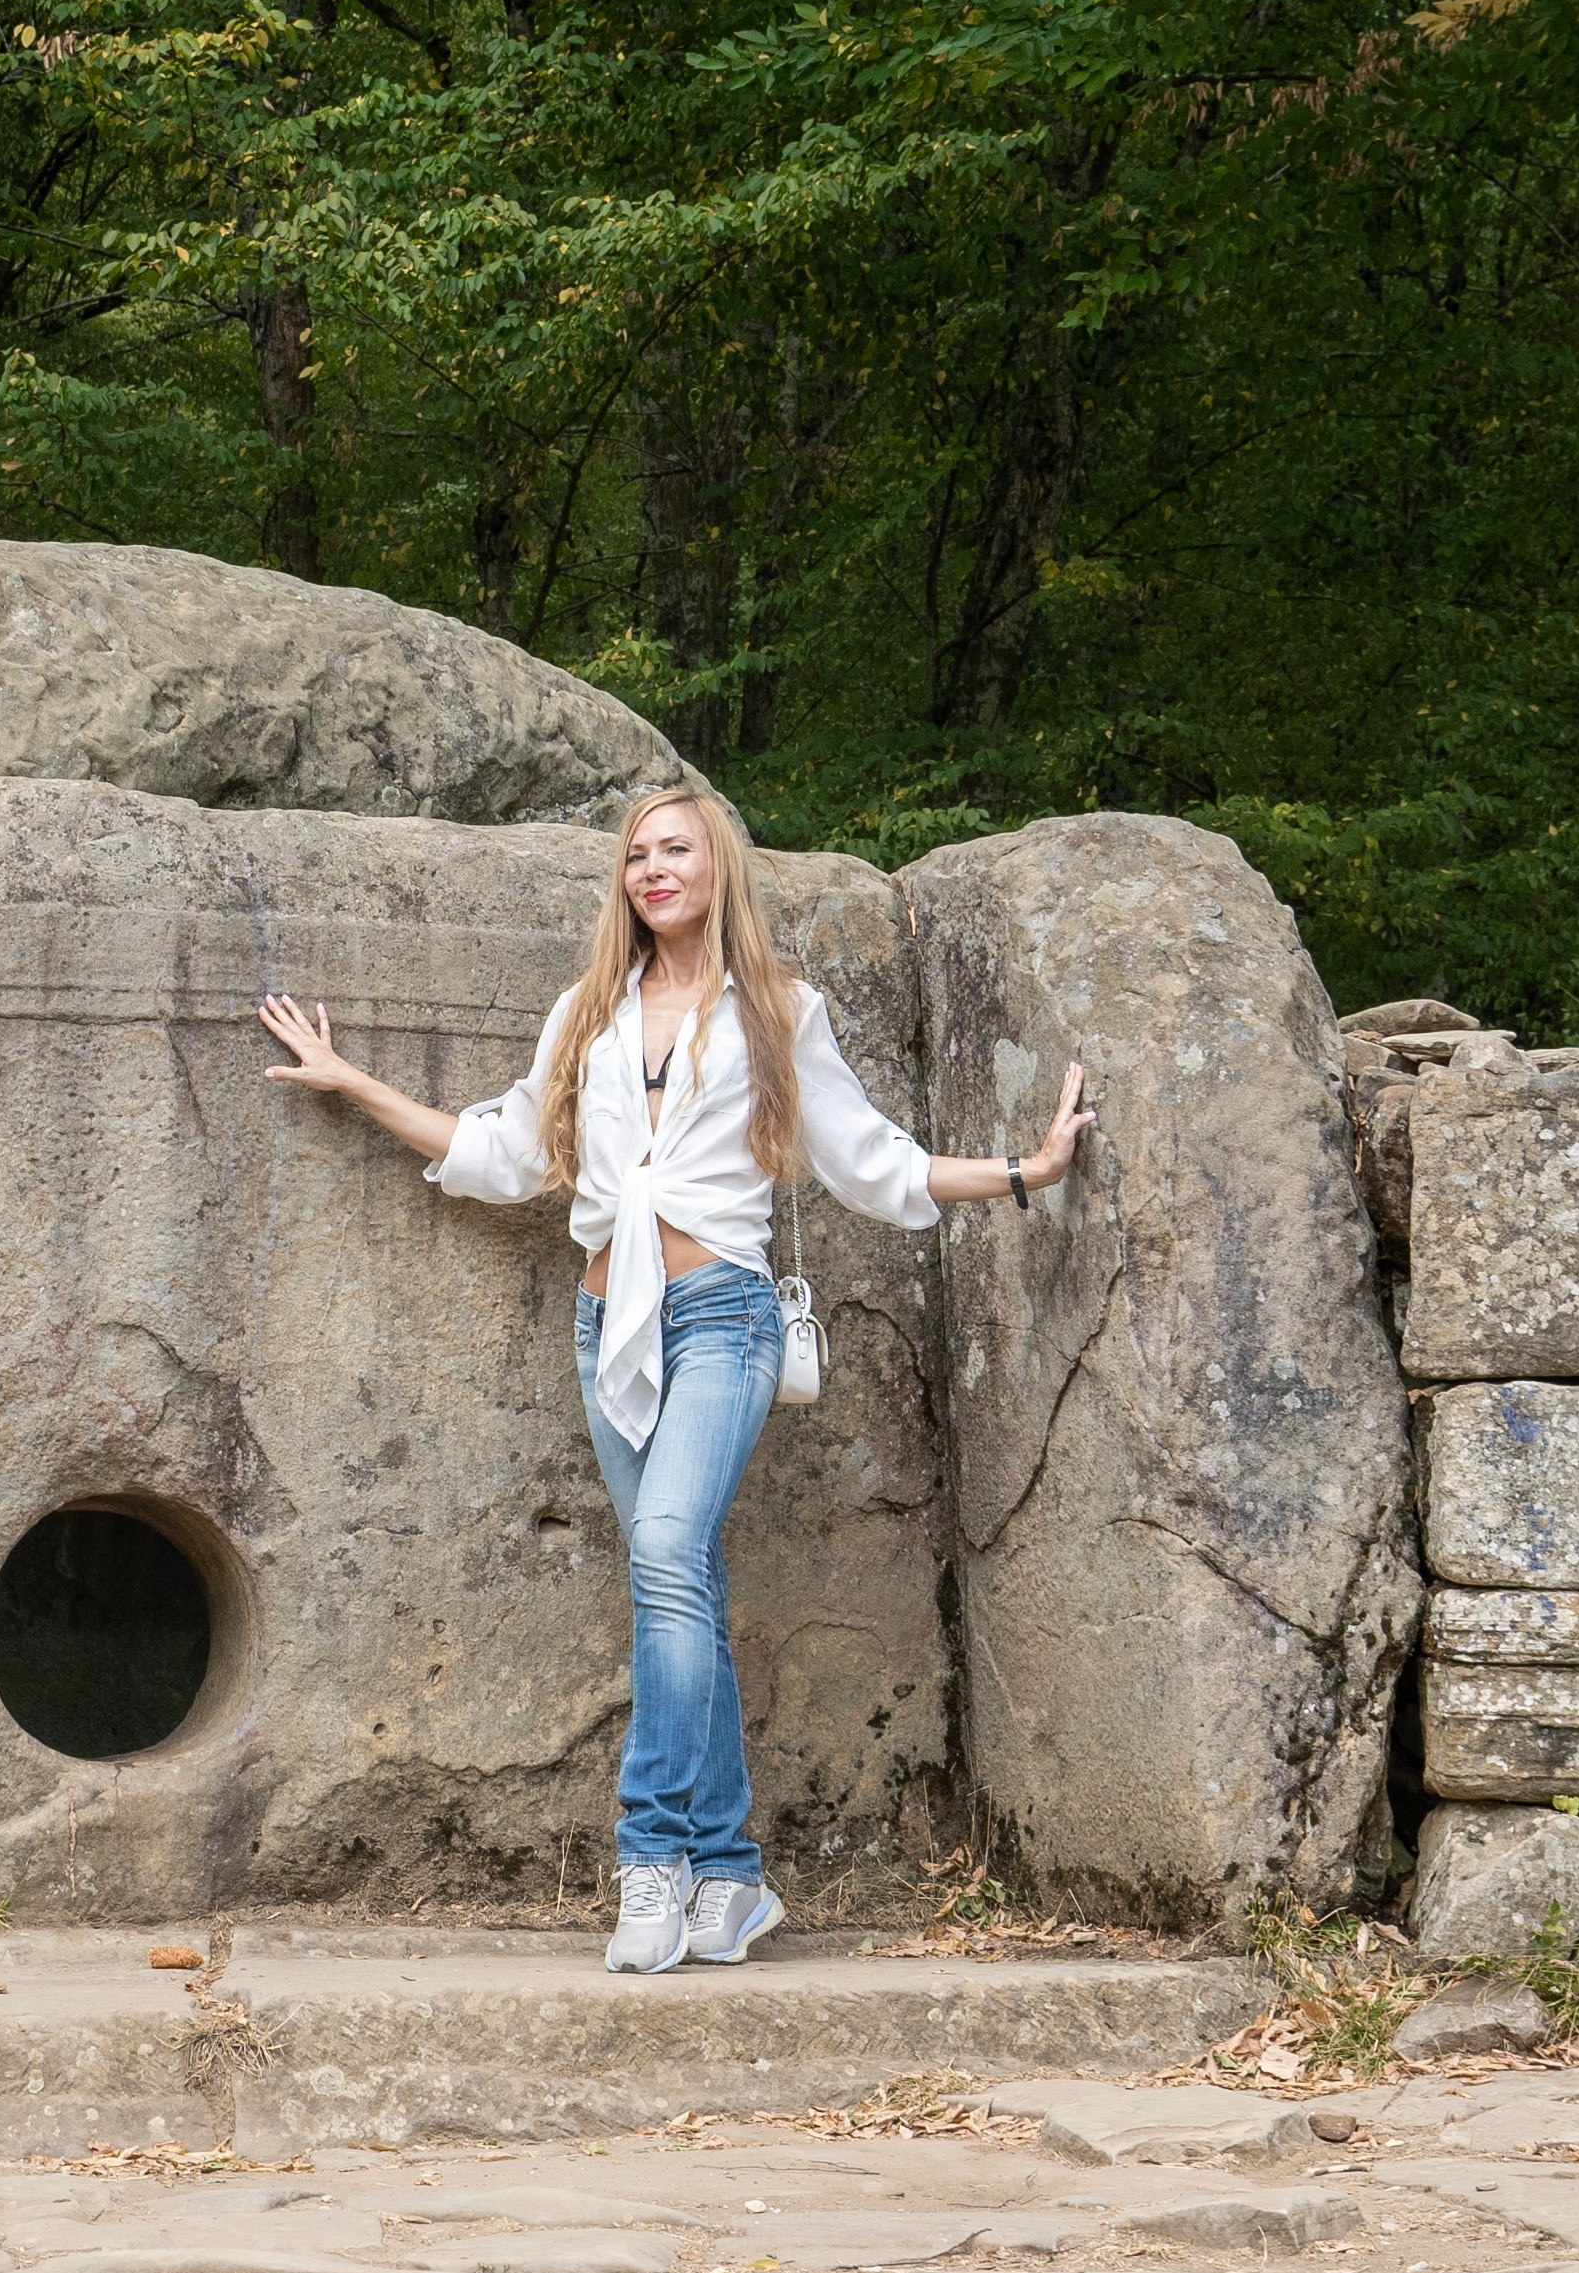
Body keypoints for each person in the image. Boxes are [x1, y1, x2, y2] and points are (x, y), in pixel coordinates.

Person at [256, 782, 1093, 1975]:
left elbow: (875, 1166)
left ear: (717, 867)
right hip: (605, 1322)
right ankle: (734, 1877)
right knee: (677, 1579)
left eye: (674, 849)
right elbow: (503, 1156)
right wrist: (355, 1084)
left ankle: (649, 1856)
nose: (651, 869)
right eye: (635, 854)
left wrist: (1024, 1169)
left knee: (660, 1555)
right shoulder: (586, 1012)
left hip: (721, 1318)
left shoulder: (777, 1013)